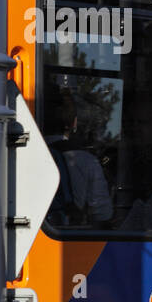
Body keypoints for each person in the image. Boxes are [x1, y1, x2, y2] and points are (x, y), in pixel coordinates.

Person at [44, 92, 113, 228]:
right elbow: (102, 213)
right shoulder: (87, 160)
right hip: (67, 234)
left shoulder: (27, 151)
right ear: (74, 123)